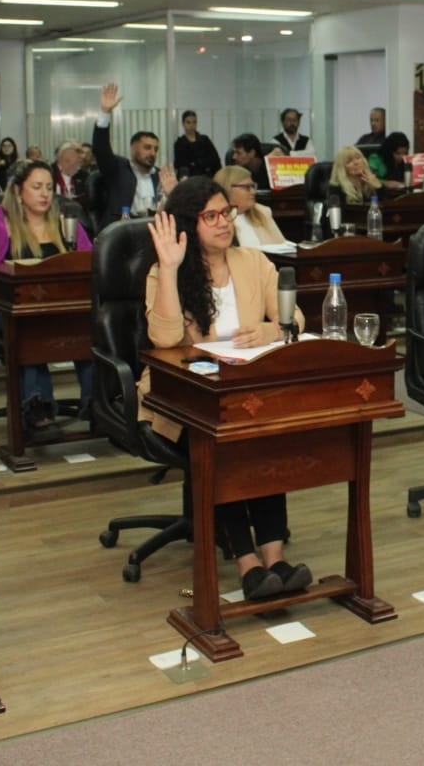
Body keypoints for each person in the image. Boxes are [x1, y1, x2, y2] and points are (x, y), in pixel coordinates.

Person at [144, 177, 308, 600]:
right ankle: (248, 564)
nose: (223, 222)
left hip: (245, 389)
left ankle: (275, 558)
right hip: (185, 400)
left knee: (264, 440)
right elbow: (163, 339)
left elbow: (296, 320)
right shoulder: (168, 271)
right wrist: (168, 267)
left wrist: (272, 329)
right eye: (210, 216)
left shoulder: (253, 261)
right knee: (225, 444)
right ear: (189, 223)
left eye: (226, 213)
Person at [0, 140, 93, 429]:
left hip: (61, 304)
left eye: (48, 187)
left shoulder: (65, 222)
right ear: (18, 191)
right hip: (7, 305)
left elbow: (88, 262)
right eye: (36, 186)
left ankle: (97, 403)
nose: (45, 194)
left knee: (90, 326)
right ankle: (35, 403)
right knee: (29, 326)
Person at [92, 82, 174, 227]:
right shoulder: (118, 168)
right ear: (133, 148)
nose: (152, 153)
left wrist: (173, 193)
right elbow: (100, 148)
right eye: (147, 148)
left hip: (153, 231)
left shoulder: (160, 176)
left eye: (156, 149)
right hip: (122, 233)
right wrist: (105, 113)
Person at [215, 164, 286, 246]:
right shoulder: (218, 219)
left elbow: (282, 245)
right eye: (247, 187)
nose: (253, 192)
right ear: (227, 189)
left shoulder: (262, 212)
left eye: (253, 186)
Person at [173, 110, 222, 179]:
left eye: (194, 122)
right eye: (188, 122)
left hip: (207, 178)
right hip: (189, 180)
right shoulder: (180, 143)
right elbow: (180, 165)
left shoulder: (205, 140)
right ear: (183, 124)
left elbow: (215, 160)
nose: (191, 125)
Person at [50, 140, 90, 211]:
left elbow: (87, 203)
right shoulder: (49, 173)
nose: (82, 156)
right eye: (77, 152)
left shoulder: (84, 175)